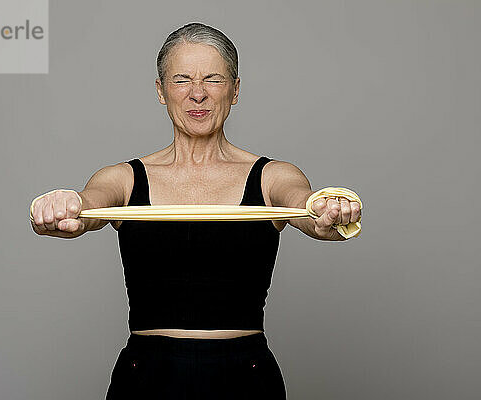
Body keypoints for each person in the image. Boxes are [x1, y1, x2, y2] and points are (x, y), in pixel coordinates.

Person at [30, 22, 361, 400]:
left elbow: (308, 209)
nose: (197, 94)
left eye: (214, 80)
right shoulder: (122, 178)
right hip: (146, 377)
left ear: (235, 90)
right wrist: (65, 205)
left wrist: (328, 209)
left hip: (245, 377)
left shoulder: (273, 177)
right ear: (161, 91)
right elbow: (86, 205)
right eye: (182, 80)